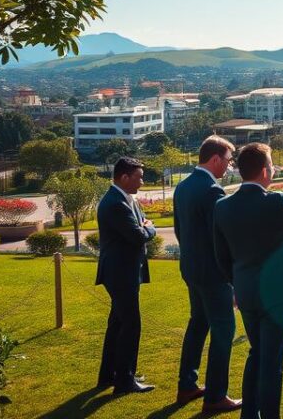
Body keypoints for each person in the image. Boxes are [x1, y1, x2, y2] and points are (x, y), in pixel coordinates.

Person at [212, 144, 283, 419]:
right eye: (272, 164)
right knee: (272, 362)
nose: (273, 169)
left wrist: (235, 286)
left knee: (257, 353)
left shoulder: (223, 206)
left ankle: (249, 414)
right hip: (276, 294)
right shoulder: (274, 202)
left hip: (246, 291)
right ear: (265, 171)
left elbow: (221, 256)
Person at [173, 135, 241, 412]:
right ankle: (215, 397)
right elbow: (222, 239)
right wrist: (234, 279)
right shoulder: (212, 191)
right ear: (215, 159)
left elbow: (180, 231)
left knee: (198, 325)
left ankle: (187, 384)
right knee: (224, 331)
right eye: (228, 160)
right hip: (214, 274)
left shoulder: (183, 187)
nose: (229, 166)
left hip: (191, 268)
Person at [95, 156, 157, 395]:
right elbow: (138, 234)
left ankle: (109, 374)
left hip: (125, 271)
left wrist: (144, 226)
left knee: (118, 323)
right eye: (139, 177)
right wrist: (148, 228)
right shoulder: (115, 203)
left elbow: (140, 226)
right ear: (124, 177)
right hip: (120, 273)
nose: (142, 182)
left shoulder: (127, 200)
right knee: (131, 325)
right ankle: (124, 380)